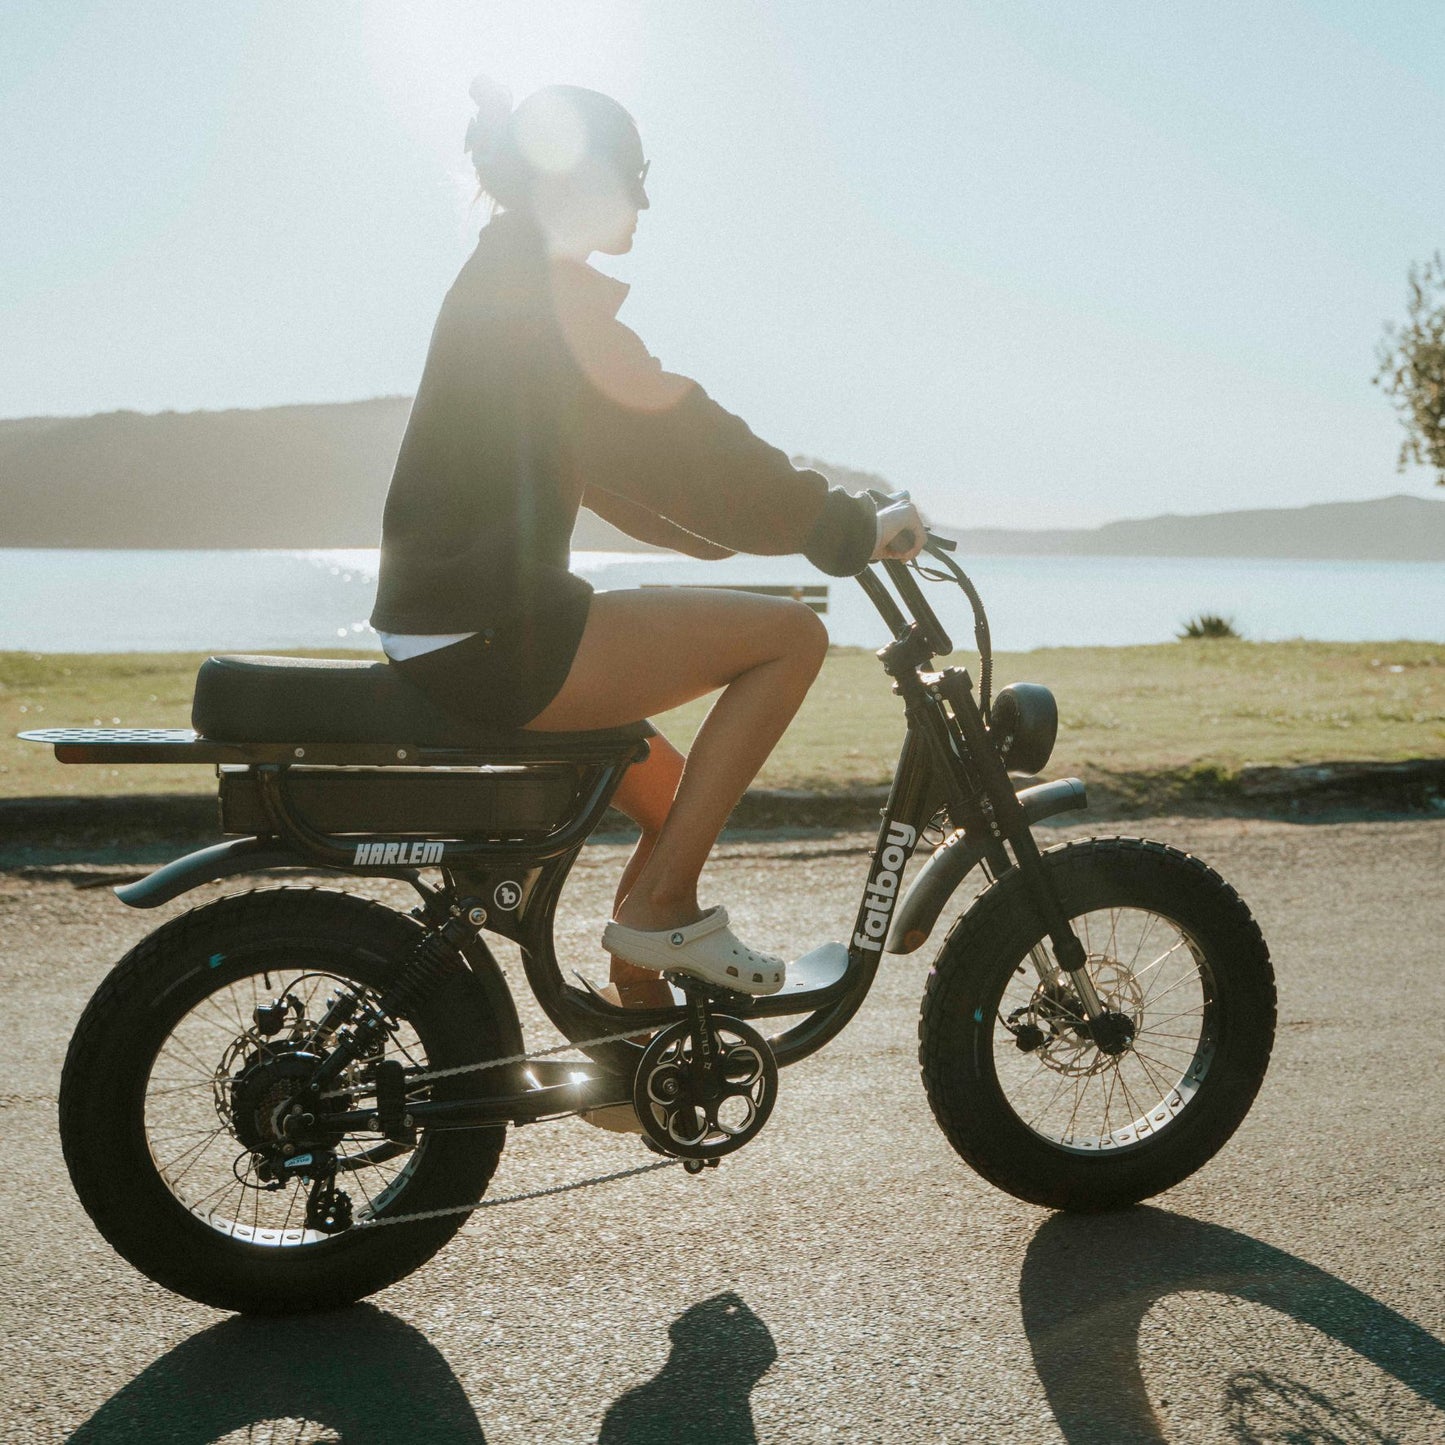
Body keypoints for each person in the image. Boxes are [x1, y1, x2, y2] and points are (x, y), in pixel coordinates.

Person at [369, 79, 926, 1006]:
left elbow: (621, 467)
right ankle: (661, 908)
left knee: (672, 805)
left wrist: (719, 541)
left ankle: (636, 1054)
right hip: (494, 632)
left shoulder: (510, 279)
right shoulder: (541, 296)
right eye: (635, 175)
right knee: (793, 638)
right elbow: (682, 436)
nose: (646, 199)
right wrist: (843, 527)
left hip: (454, 622)